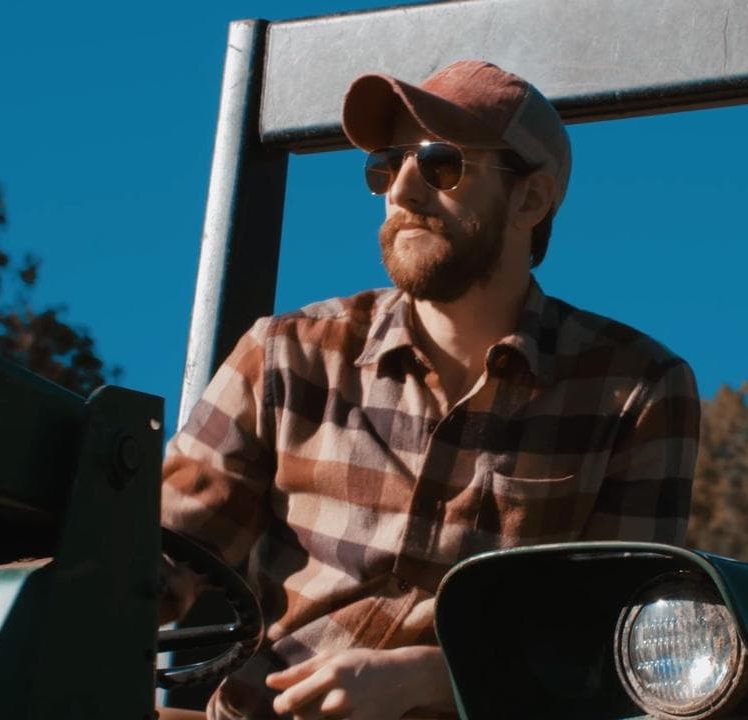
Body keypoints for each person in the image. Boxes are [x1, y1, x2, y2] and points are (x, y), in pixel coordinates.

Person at [159, 59, 700, 720]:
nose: (402, 191)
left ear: (530, 199)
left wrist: (432, 679)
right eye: (386, 167)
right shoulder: (285, 355)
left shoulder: (635, 392)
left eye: (441, 164)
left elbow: (622, 645)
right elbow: (157, 555)